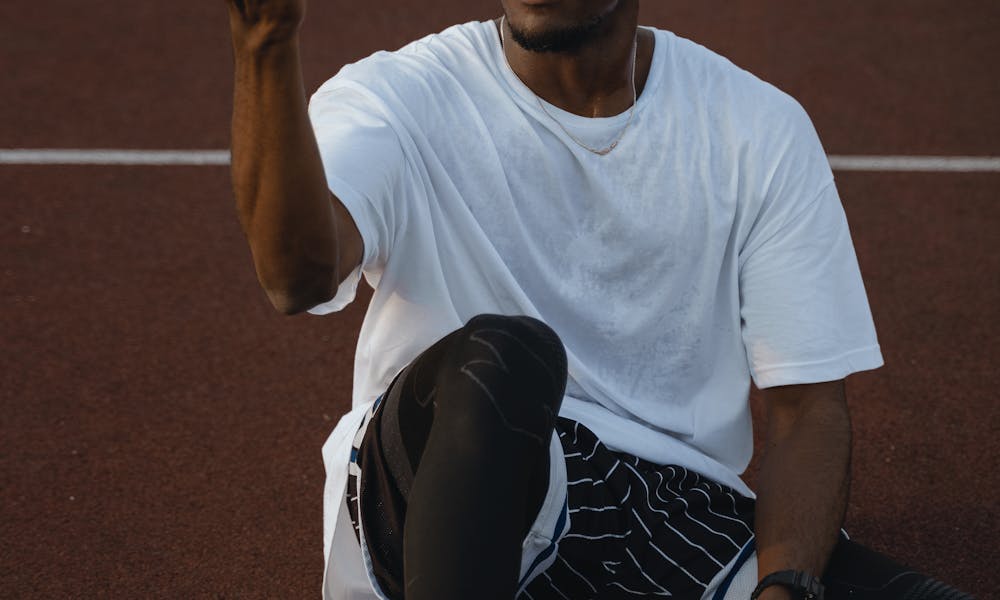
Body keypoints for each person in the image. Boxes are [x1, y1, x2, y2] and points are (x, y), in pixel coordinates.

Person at [223, 1, 975, 599]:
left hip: (668, 512)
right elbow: (297, 277)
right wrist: (266, 42)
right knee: (507, 358)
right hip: (440, 493)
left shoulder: (759, 130)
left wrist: (783, 587)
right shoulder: (398, 97)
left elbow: (807, 409)